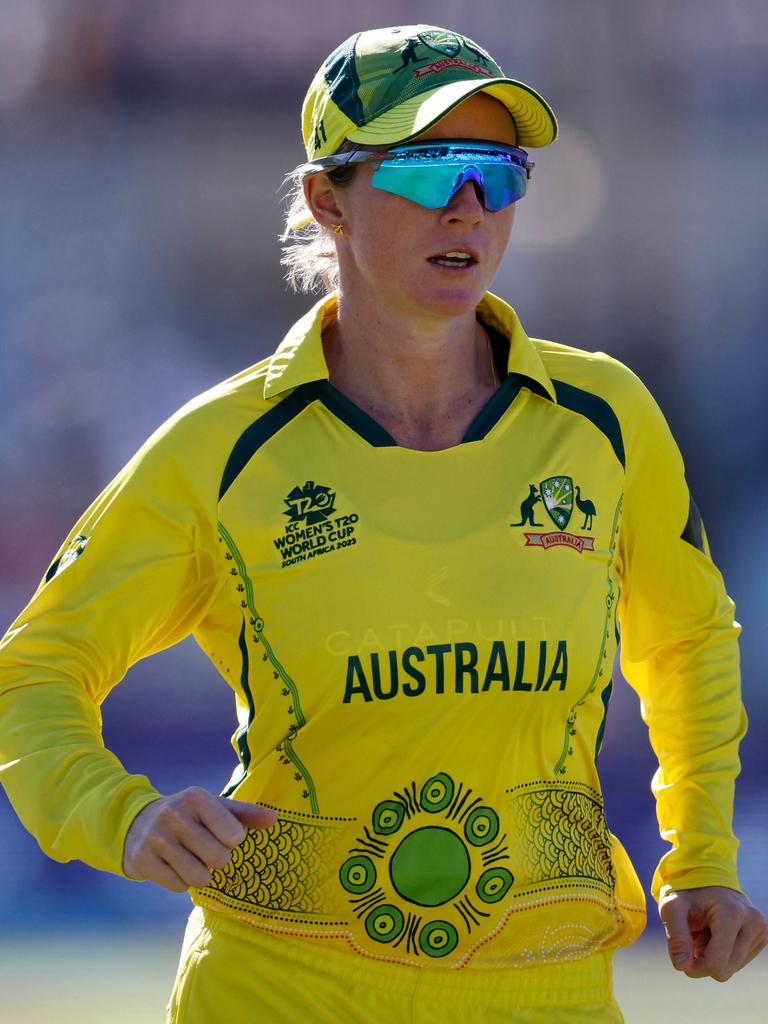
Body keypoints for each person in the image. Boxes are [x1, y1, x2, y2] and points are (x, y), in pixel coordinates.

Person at [0, 22, 765, 1024]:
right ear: (328, 199)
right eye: (426, 167)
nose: (468, 206)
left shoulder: (604, 418)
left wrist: (701, 854)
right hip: (280, 993)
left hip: (550, 991)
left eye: (499, 171)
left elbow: (686, 640)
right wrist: (121, 816)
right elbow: (35, 670)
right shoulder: (219, 450)